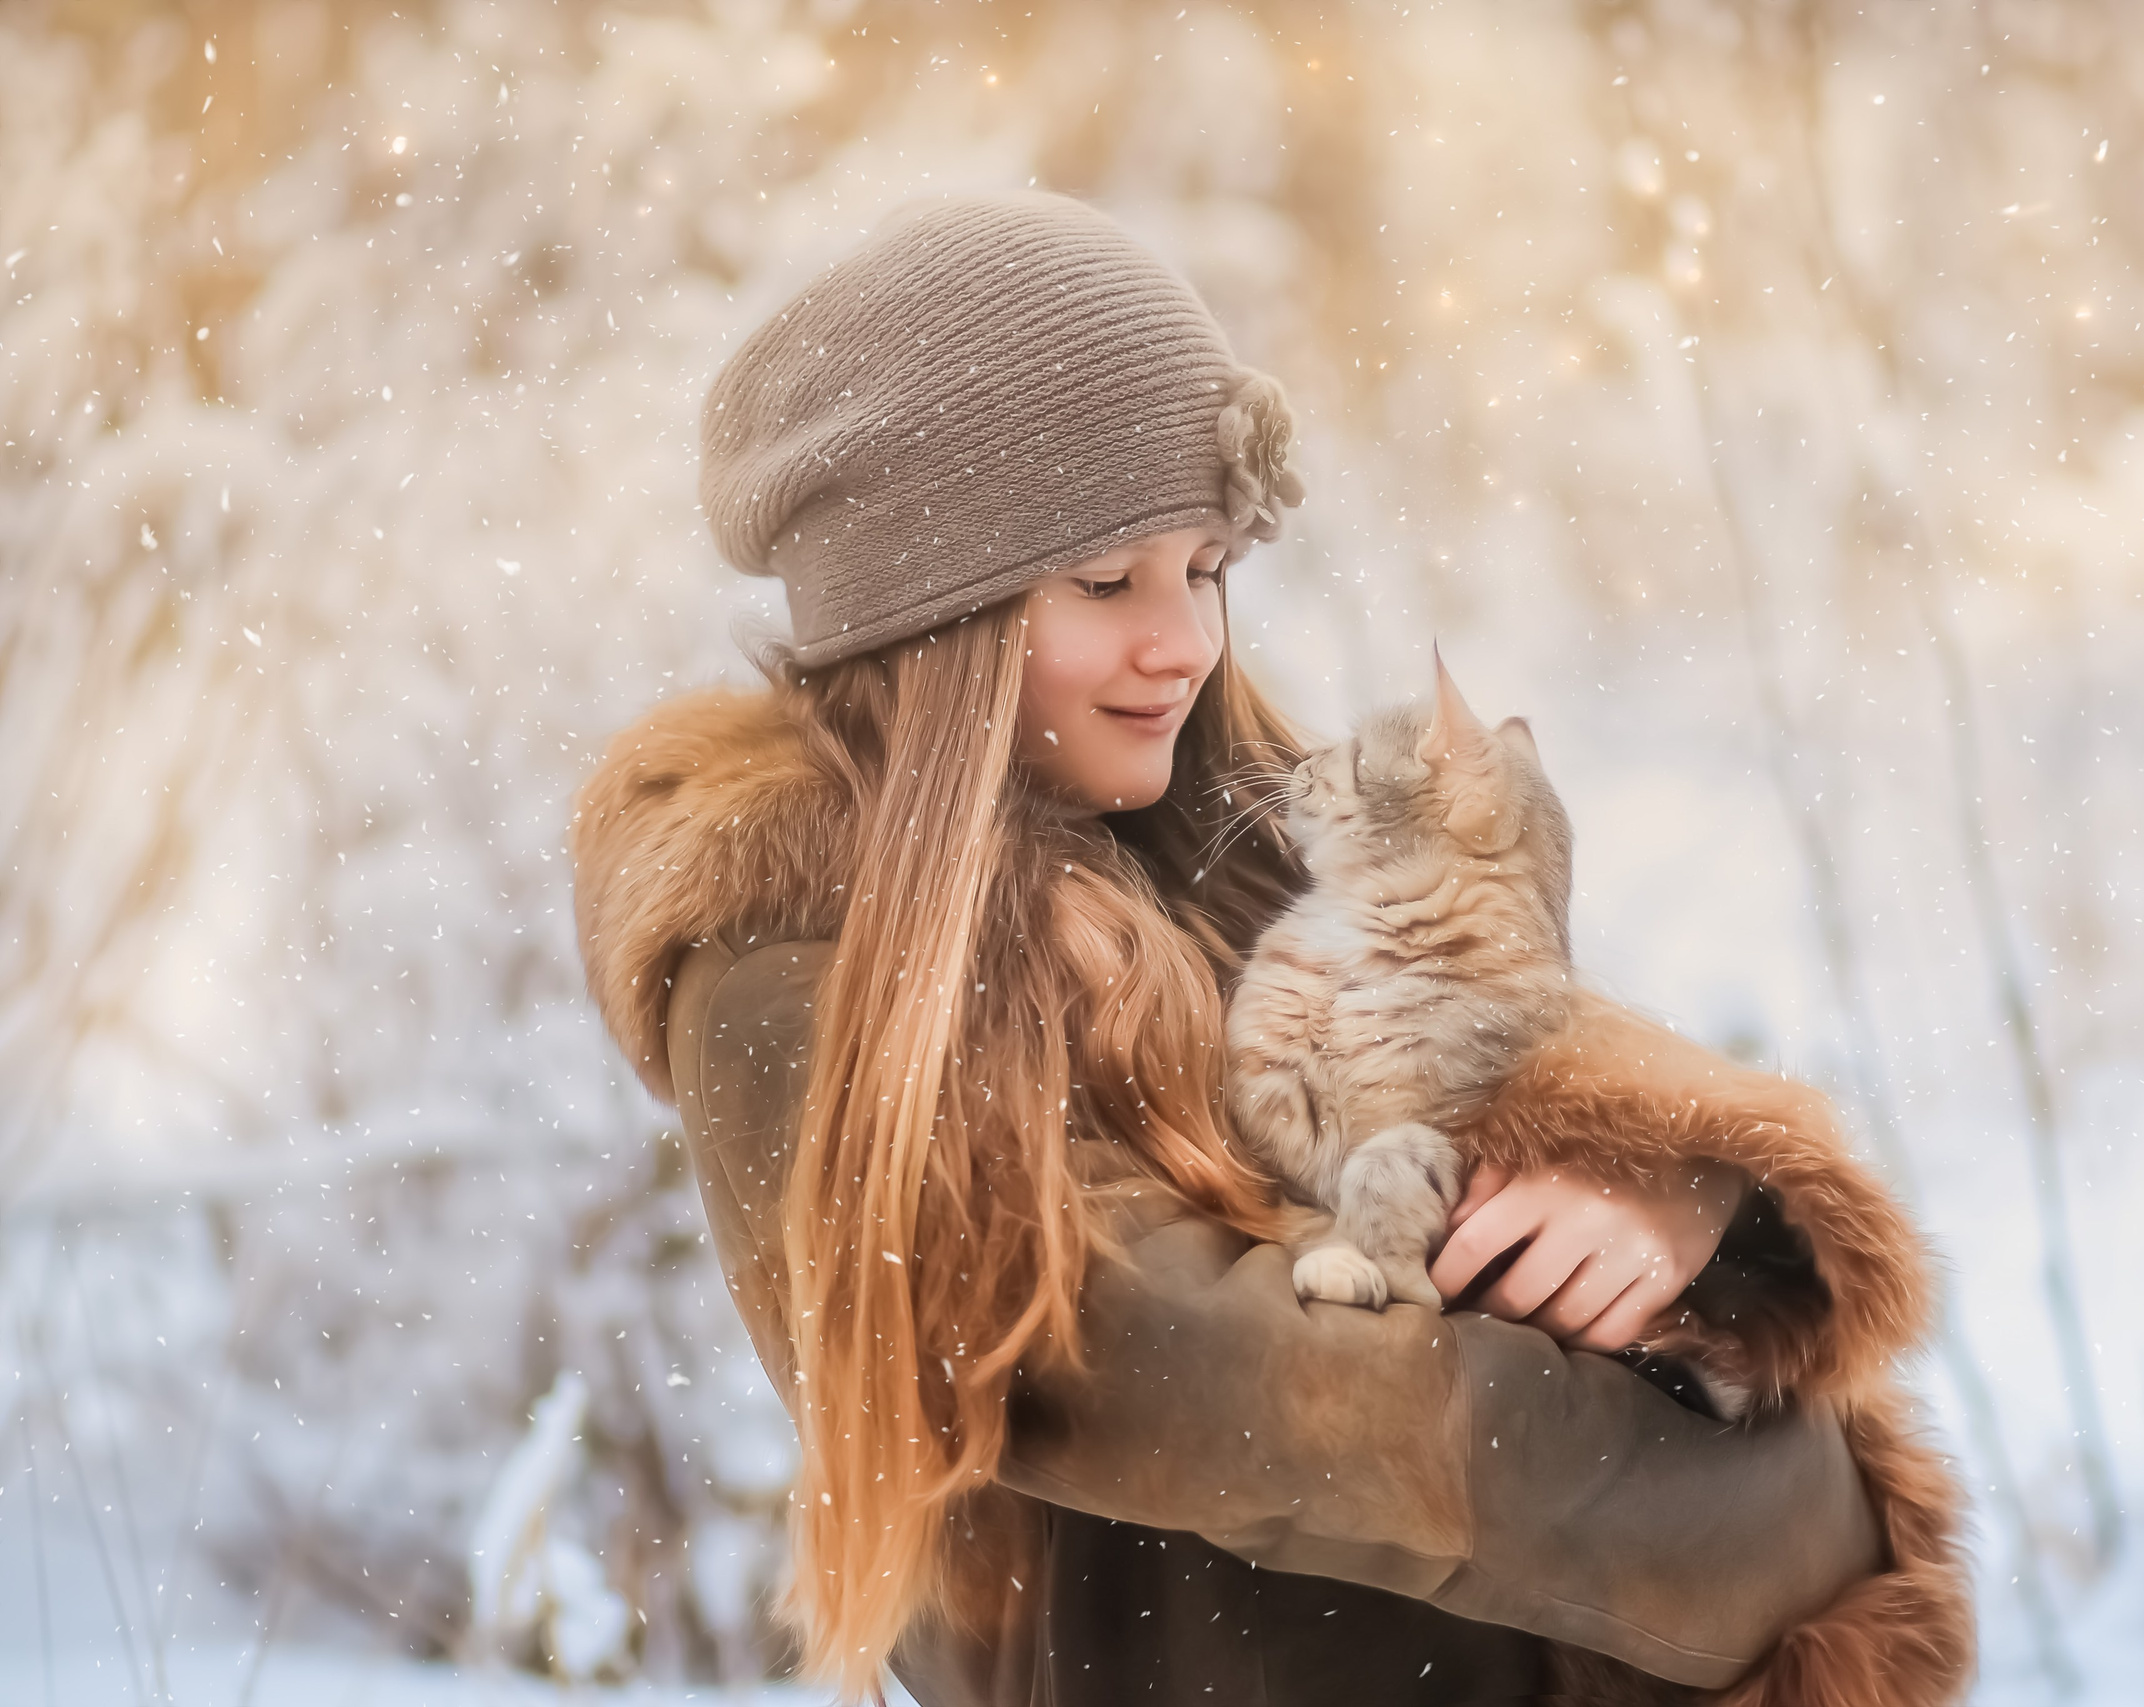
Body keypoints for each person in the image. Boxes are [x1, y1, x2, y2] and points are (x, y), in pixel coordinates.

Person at [571, 191, 1889, 1706]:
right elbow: (1239, 1396)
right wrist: (1761, 1504)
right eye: (1103, 582)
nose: (1183, 643)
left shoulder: (1231, 862)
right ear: (929, 617)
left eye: (1203, 568)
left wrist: (1681, 1195)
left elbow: (1526, 1088)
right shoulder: (799, 982)